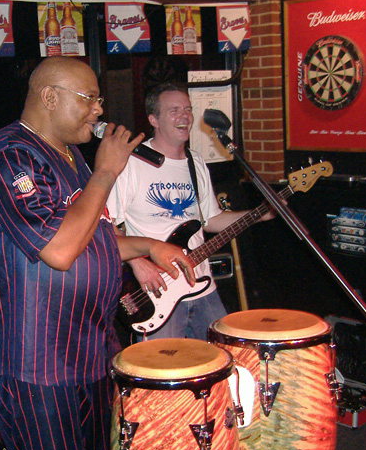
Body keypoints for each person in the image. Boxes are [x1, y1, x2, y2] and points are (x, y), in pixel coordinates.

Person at [0, 57, 196, 450]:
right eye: (89, 99)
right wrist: (105, 174)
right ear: (49, 97)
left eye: (99, 100)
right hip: (34, 364)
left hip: (87, 349)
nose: (99, 110)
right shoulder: (7, 157)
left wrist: (147, 246)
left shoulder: (71, 157)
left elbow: (91, 234)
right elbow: (59, 248)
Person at [107, 81, 272, 340]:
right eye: (173, 110)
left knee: (219, 356)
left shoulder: (196, 163)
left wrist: (260, 214)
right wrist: (137, 263)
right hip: (157, 291)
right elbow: (106, 223)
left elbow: (211, 220)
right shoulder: (133, 162)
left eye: (187, 109)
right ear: (153, 119)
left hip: (201, 285)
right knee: (162, 363)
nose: (184, 116)